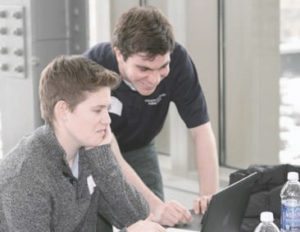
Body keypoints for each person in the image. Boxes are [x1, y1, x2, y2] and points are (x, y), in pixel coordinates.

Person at [84, 5, 219, 226]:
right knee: (98, 222)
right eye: (144, 69)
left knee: (156, 225)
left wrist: (211, 200)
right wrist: (154, 206)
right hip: (93, 151)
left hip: (140, 146)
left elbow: (201, 131)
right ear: (119, 54)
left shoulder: (179, 62)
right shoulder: (93, 69)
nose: (155, 79)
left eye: (162, 67)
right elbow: (109, 151)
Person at [0, 55, 166, 232]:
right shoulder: (26, 175)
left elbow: (136, 215)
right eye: (97, 110)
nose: (107, 120)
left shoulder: (89, 151)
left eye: (107, 109)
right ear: (63, 110)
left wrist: (103, 157)